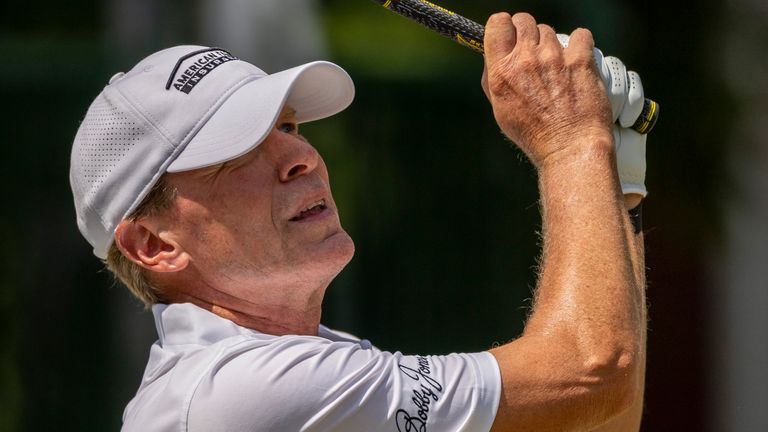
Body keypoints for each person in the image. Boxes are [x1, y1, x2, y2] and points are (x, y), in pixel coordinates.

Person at [69, 12, 648, 432]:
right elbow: (594, 372)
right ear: (152, 244)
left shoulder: (300, 367)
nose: (302, 157)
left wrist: (615, 182)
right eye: (239, 151)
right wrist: (572, 142)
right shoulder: (239, 393)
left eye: (289, 128)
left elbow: (595, 412)